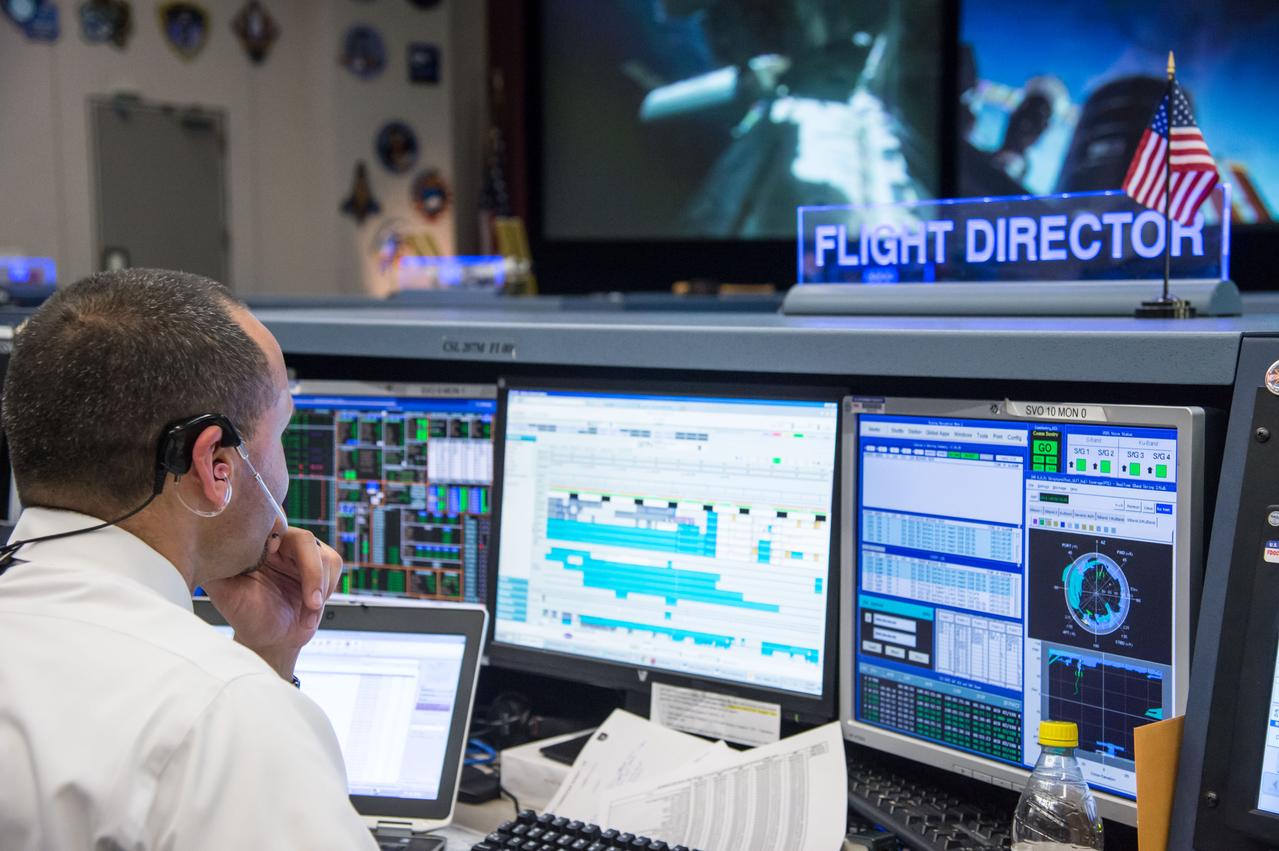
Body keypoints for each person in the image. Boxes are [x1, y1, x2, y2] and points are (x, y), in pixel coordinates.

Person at [0, 269, 378, 850]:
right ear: (214, 464)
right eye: (280, 434)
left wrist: (268, 654)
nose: (281, 474)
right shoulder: (223, 717)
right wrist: (254, 686)